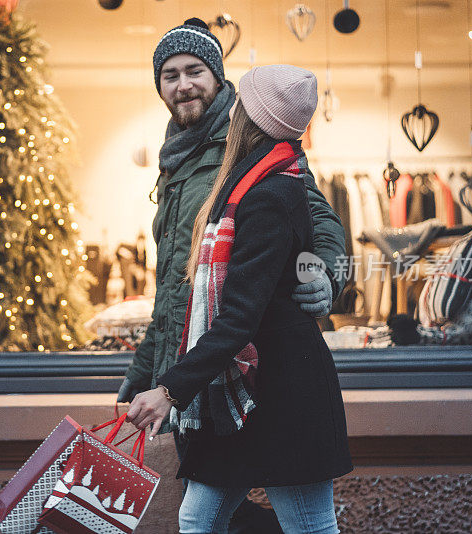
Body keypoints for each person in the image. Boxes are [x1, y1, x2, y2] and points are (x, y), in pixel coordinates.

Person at [117, 17, 348, 533]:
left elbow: (319, 222)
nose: (183, 84)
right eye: (170, 74)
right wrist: (143, 377)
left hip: (243, 370)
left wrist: (324, 279)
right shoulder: (173, 162)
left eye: (195, 71)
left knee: (258, 517)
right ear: (159, 86)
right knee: (209, 516)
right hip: (200, 370)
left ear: (219, 78)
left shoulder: (253, 149)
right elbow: (173, 293)